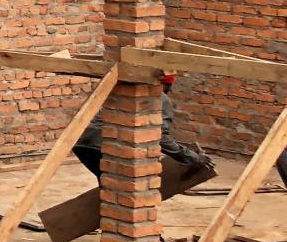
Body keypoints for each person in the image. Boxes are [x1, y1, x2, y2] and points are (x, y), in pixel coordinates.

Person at [74, 72, 210, 179]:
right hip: (101, 145)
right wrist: (193, 157)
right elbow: (161, 138)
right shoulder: (160, 98)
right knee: (124, 185)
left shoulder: (126, 89)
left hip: (82, 142)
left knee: (109, 184)